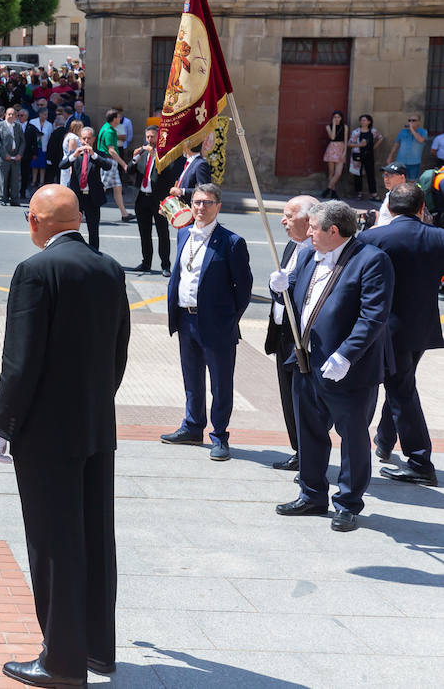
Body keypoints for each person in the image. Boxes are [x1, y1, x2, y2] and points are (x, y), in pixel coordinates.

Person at [0, 184, 129, 688]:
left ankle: (62, 662)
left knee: (54, 542)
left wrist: (4, 424)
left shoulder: (34, 272)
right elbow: (119, 351)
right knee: (95, 535)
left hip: (47, 433)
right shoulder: (108, 268)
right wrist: (94, 403)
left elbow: (20, 361)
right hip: (95, 424)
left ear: (39, 221)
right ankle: (97, 648)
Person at [270, 200, 393, 532]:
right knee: (309, 432)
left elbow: (373, 316)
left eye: (312, 227)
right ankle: (311, 494)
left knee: (352, 437)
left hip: (347, 369)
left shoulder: (371, 261)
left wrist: (346, 355)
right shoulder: (311, 255)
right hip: (306, 362)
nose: (307, 232)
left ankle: (348, 503)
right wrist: (281, 287)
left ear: (333, 231)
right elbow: (300, 295)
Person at [360, 184, 444, 487]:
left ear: (390, 208)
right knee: (400, 383)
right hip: (423, 326)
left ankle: (420, 460)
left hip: (384, 328)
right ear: (422, 208)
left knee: (401, 388)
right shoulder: (439, 237)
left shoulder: (372, 237)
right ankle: (384, 440)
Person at [162, 183, 253, 461]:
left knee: (221, 383)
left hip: (217, 324)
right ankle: (192, 426)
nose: (201, 208)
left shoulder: (231, 242)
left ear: (218, 207)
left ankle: (220, 435)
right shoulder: (183, 234)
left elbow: (244, 289)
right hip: (185, 319)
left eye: (208, 203)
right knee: (192, 379)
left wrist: (228, 319)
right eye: (197, 202)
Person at [262, 195, 319, 472]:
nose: (283, 221)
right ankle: (299, 451)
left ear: (309, 221)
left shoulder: (319, 252)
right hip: (283, 333)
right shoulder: (291, 246)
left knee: (304, 400)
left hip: (303, 338)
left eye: (289, 216)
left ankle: (309, 456)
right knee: (289, 398)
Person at [128, 125, 179, 276]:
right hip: (142, 198)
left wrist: (156, 155)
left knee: (162, 232)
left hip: (158, 199)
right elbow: (129, 170)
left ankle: (165, 265)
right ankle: (146, 262)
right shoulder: (142, 153)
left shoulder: (164, 154)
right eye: (148, 137)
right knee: (144, 232)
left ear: (159, 137)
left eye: (152, 137)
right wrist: (135, 158)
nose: (149, 140)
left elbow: (170, 172)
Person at [61, 126, 111, 251]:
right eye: (84, 138)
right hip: (77, 197)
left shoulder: (98, 154)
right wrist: (74, 155)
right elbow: (62, 165)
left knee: (93, 228)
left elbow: (107, 165)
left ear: (93, 139)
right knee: (71, 228)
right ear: (80, 139)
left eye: (89, 138)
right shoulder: (75, 153)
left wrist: (94, 155)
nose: (86, 141)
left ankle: (94, 253)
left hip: (92, 196)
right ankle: (72, 251)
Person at [97, 109, 133, 222]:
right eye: (118, 117)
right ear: (114, 119)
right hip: (108, 162)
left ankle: (124, 214)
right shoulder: (110, 131)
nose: (120, 118)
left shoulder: (107, 127)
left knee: (118, 187)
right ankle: (91, 210)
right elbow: (111, 150)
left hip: (109, 161)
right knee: (101, 188)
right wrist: (123, 164)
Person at [0, 107, 26, 207]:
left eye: (13, 114)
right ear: (5, 115)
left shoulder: (18, 126)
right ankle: (3, 198)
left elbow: (22, 142)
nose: (11, 116)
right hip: (4, 158)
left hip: (15, 157)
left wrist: (20, 154)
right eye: (9, 114)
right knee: (3, 179)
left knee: (15, 179)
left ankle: (14, 199)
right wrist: (5, 155)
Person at [168, 139, 212, 204]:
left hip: (191, 207)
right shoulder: (189, 162)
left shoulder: (200, 164)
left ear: (187, 148)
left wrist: (182, 191)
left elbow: (204, 189)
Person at [348, 114, 381, 198]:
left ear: (369, 122)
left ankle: (373, 193)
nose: (362, 122)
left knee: (371, 174)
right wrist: (360, 145)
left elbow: (380, 138)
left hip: (369, 155)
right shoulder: (356, 132)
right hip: (358, 155)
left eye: (364, 120)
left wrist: (374, 147)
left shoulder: (373, 131)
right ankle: (359, 193)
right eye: (361, 120)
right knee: (357, 174)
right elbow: (349, 144)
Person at [387, 114, 427, 180]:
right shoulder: (402, 132)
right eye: (409, 120)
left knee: (412, 181)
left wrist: (412, 129)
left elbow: (420, 140)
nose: (411, 122)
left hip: (414, 162)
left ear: (419, 122)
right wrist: (390, 156)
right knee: (399, 180)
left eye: (413, 120)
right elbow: (396, 144)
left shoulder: (423, 132)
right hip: (401, 162)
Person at [321, 110, 347, 198]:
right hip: (332, 148)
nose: (337, 119)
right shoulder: (329, 127)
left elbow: (345, 141)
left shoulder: (345, 127)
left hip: (341, 148)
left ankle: (328, 188)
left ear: (341, 118)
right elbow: (332, 137)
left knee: (338, 173)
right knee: (331, 172)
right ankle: (333, 192)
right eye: (335, 117)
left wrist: (344, 152)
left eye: (338, 117)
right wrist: (334, 125)